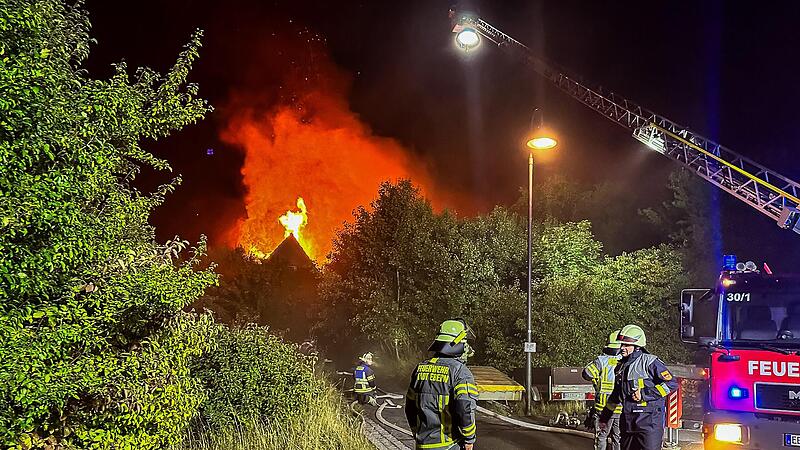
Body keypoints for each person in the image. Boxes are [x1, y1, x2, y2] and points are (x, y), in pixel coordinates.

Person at [599, 324, 678, 450]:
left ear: (637, 346)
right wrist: (604, 418)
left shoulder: (650, 362)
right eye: (621, 345)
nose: (622, 348)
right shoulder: (620, 367)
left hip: (649, 424)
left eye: (626, 345)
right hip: (628, 423)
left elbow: (672, 384)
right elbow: (615, 395)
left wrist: (645, 394)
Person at [405, 319, 478, 450]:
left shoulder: (420, 368)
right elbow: (464, 408)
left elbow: (410, 407)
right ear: (458, 343)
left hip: (422, 444)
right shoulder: (460, 372)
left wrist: (417, 432)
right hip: (448, 445)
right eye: (465, 342)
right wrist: (469, 438)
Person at [583, 330, 623, 450]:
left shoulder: (601, 361)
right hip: (621, 409)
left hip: (604, 409)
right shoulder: (626, 361)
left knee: (602, 436)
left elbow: (586, 374)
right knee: (619, 438)